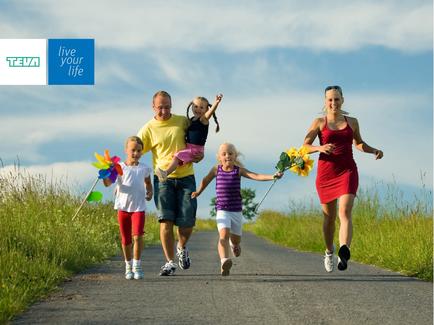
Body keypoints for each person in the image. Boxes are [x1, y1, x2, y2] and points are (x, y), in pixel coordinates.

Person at [303, 85, 383, 272]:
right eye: (330, 99)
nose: (333, 103)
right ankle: (329, 251)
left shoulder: (352, 122)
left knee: (345, 212)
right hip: (326, 173)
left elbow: (359, 143)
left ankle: (344, 250)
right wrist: (319, 148)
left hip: (347, 170)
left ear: (342, 100)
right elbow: (305, 146)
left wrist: (373, 150)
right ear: (325, 102)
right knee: (329, 219)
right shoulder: (319, 122)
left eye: (337, 99)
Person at [191, 143, 283, 276]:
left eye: (230, 153)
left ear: (235, 156)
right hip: (222, 209)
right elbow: (205, 180)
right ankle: (224, 261)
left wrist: (273, 176)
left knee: (235, 240)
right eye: (224, 154)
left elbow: (256, 176)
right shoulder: (216, 169)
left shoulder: (238, 170)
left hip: (236, 211)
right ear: (219, 157)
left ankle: (234, 246)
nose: (227, 156)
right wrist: (198, 192)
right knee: (223, 236)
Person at [137, 90, 202, 276]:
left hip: (186, 177)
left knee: (187, 221)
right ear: (153, 107)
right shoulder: (147, 129)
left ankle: (181, 246)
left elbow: (197, 142)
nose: (164, 111)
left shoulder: (182, 121)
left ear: (171, 106)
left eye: (167, 107)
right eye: (160, 108)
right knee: (165, 221)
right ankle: (170, 262)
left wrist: (199, 155)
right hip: (163, 179)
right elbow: (135, 151)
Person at [103, 136, 153, 280]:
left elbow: (148, 183)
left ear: (142, 152)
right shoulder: (119, 168)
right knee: (126, 239)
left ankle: (137, 265)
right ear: (126, 150)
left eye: (138, 151)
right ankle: (128, 266)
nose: (135, 153)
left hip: (138, 207)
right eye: (133, 150)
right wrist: (105, 174)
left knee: (137, 236)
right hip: (123, 207)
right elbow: (107, 183)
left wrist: (150, 192)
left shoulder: (144, 168)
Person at [155, 94, 223, 182]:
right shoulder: (191, 120)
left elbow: (209, 114)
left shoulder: (203, 120)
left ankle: (165, 173)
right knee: (177, 158)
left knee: (177, 157)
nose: (198, 109)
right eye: (196, 106)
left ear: (206, 109)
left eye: (201, 108)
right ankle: (168, 172)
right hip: (190, 148)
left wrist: (216, 103)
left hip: (195, 149)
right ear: (192, 107)